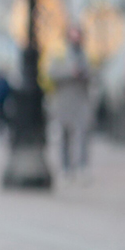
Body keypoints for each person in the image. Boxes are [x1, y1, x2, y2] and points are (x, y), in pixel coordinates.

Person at [48, 26, 93, 181]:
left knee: (82, 135)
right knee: (64, 136)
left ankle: (81, 167)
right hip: (64, 102)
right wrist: (70, 72)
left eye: (78, 36)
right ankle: (65, 168)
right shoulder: (60, 54)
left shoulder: (86, 55)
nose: (76, 39)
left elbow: (94, 74)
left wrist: (84, 72)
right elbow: (51, 73)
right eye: (73, 36)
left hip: (81, 100)